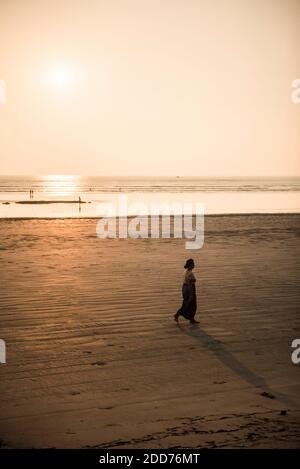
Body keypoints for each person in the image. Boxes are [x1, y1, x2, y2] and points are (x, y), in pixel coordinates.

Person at [174, 258, 199, 324]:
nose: (194, 265)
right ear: (191, 265)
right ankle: (191, 319)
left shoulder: (185, 271)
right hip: (189, 289)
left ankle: (180, 315)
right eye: (193, 264)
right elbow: (191, 284)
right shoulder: (190, 273)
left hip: (184, 289)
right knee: (192, 305)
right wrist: (191, 294)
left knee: (186, 303)